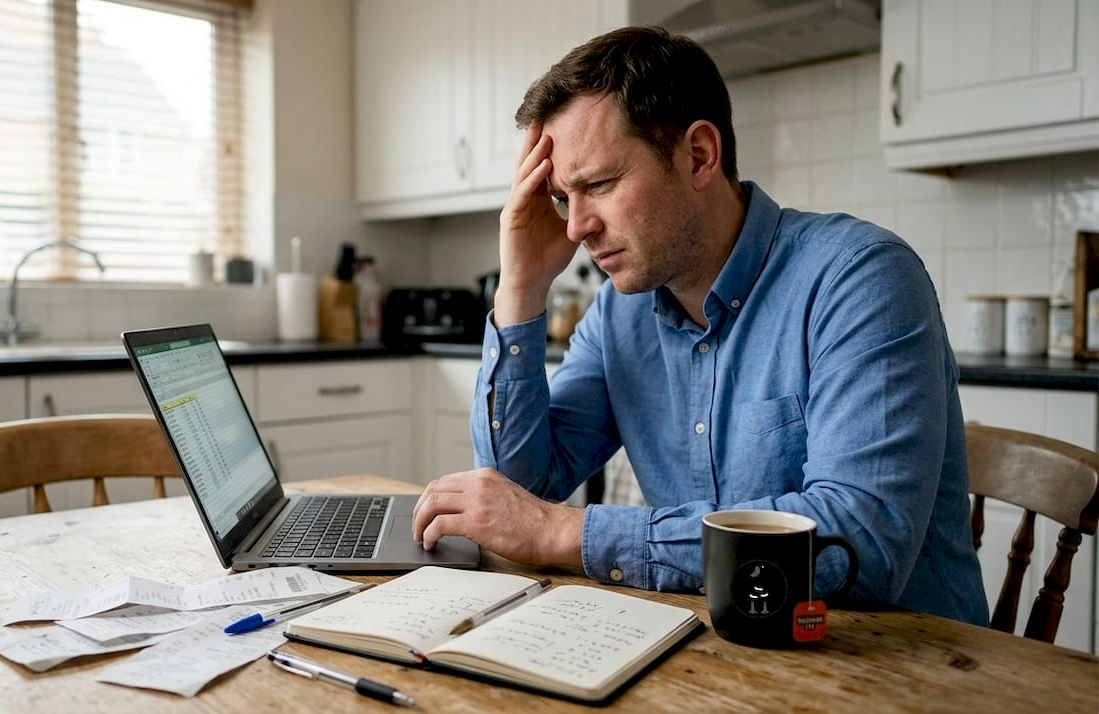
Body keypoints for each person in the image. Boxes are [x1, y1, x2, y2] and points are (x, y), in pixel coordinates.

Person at [410, 26, 988, 626]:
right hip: (716, 644)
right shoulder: (618, 312)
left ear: (699, 156)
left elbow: (862, 541)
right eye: (561, 198)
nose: (576, 227)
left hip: (900, 662)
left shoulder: (860, 278)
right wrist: (521, 290)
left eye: (599, 185)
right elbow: (519, 489)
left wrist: (567, 533)